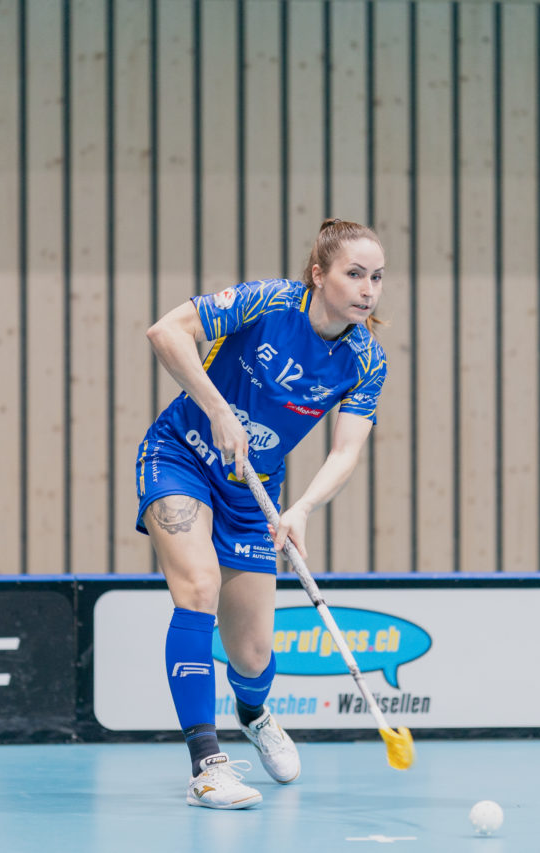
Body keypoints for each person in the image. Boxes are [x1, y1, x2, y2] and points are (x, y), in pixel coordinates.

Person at [135, 218, 388, 809]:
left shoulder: (365, 361)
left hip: (253, 491)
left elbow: (345, 451)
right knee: (198, 589)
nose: (367, 289)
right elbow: (166, 332)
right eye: (354, 274)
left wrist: (301, 509)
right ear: (318, 274)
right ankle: (207, 766)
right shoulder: (268, 302)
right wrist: (218, 410)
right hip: (180, 457)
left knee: (251, 657)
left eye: (377, 277)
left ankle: (253, 714)